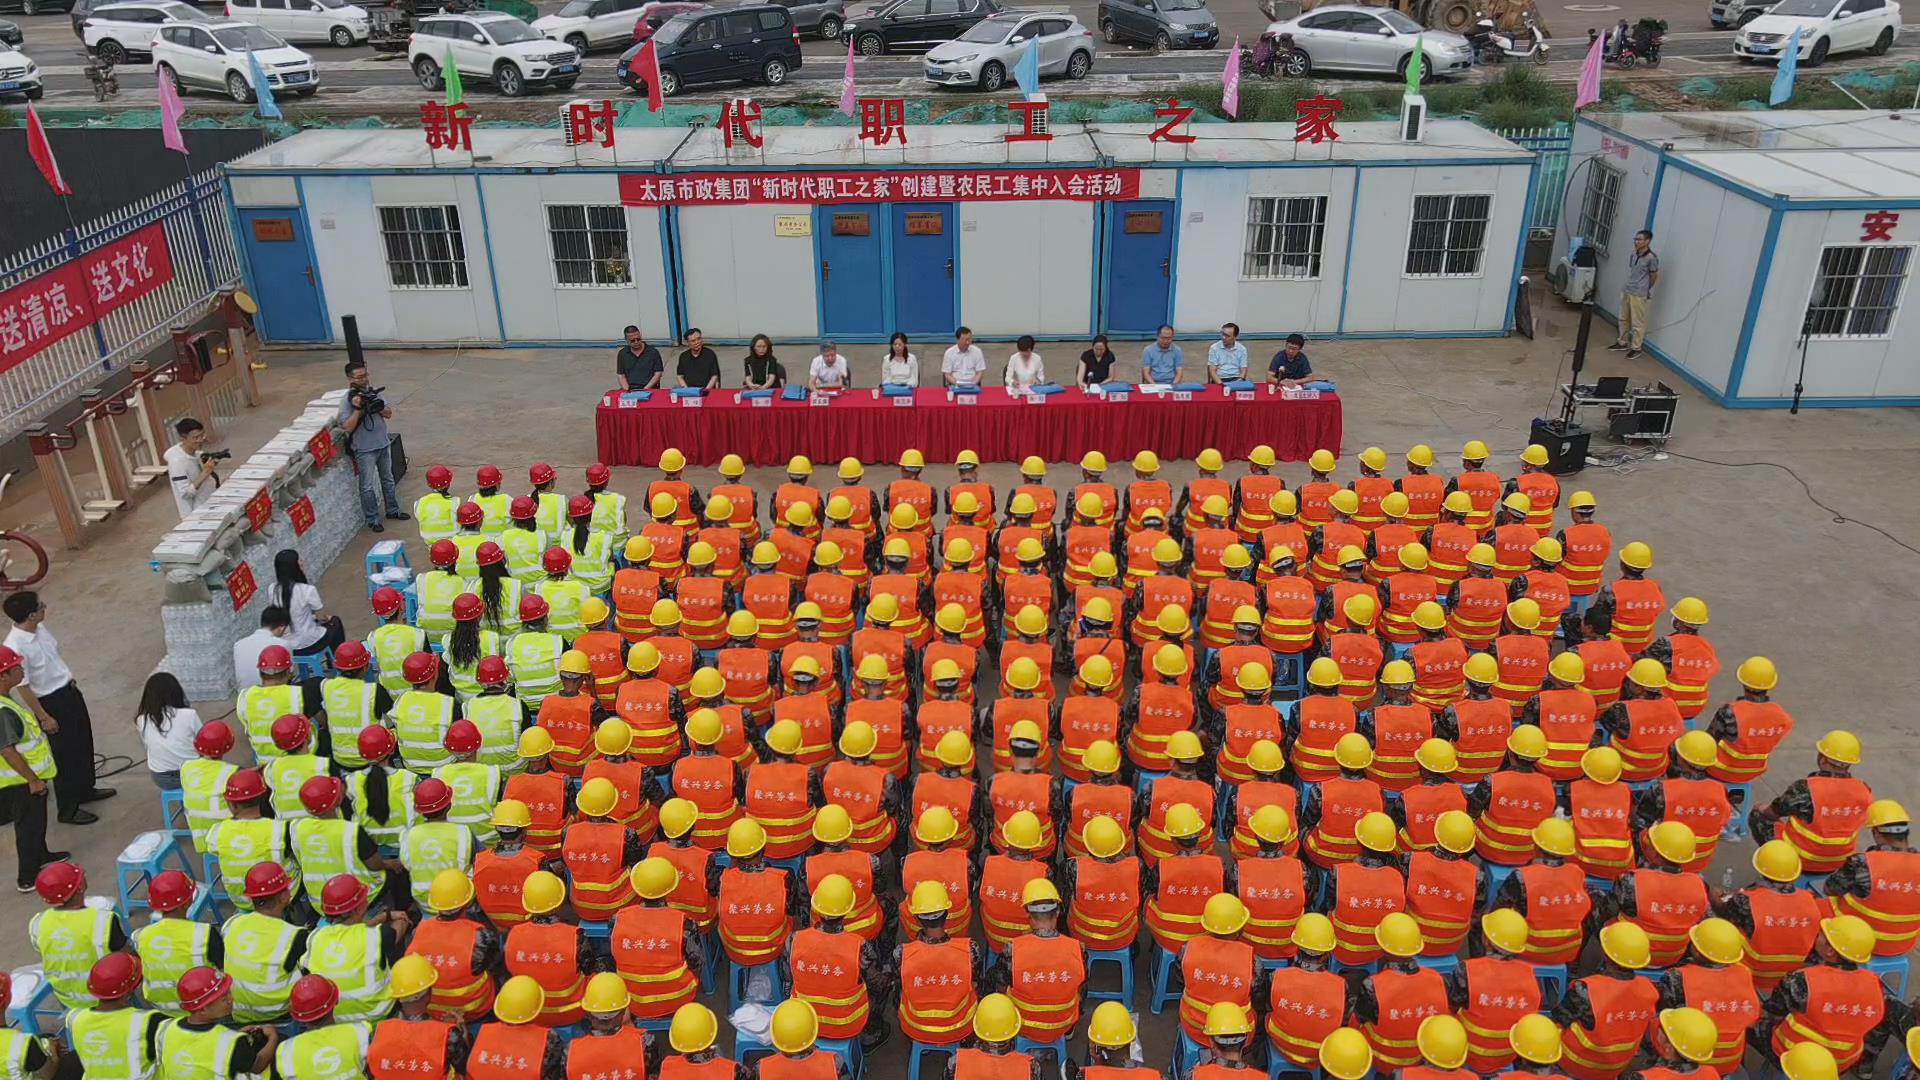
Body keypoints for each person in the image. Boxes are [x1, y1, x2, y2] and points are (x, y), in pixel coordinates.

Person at [3, 593, 107, 827]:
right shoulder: (15, 646)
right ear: (31, 615)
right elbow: (24, 686)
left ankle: (85, 789)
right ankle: (68, 808)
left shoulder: (39, 629)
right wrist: (44, 716)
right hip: (50, 701)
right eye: (41, 606)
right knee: (64, 755)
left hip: (68, 690)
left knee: (82, 742)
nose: (45, 607)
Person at [0, 646, 64, 892]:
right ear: (3, 676)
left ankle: (41, 855)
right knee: (28, 826)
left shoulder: (7, 700)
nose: (21, 670)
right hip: (21, 782)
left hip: (28, 778)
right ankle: (27, 877)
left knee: (36, 822)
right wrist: (32, 780)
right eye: (16, 667)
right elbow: (7, 750)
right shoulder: (3, 711)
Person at [339, 358, 408, 533]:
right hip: (364, 449)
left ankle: (393, 510)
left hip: (382, 443)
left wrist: (377, 406)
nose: (364, 379)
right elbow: (347, 427)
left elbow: (389, 413)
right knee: (367, 486)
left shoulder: (373, 392)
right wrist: (359, 410)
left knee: (388, 479)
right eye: (359, 377)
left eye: (365, 375)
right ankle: (373, 519)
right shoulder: (348, 400)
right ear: (350, 379)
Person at [134, 671, 205, 791]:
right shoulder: (189, 715)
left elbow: (147, 746)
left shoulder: (141, 720)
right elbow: (204, 743)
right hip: (192, 773)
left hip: (161, 778)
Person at [271, 550, 344, 659]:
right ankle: (338, 660)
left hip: (286, 644)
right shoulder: (307, 590)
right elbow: (321, 616)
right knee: (335, 621)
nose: (302, 562)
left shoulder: (272, 589)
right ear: (294, 567)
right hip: (309, 644)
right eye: (299, 560)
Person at [1612, 230, 1658, 358]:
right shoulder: (1633, 254)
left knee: (1637, 322)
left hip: (1639, 293)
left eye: (1639, 239)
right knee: (1623, 318)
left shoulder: (1651, 258)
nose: (1636, 242)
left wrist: (1646, 289)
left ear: (1647, 241)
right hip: (1627, 290)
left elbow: (1654, 275)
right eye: (1635, 239)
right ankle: (1622, 342)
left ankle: (1636, 348)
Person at [165, 417, 222, 520]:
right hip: (196, 515)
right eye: (195, 438)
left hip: (210, 505)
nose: (200, 440)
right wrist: (205, 473)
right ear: (183, 438)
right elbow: (185, 493)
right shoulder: (177, 463)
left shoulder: (197, 453)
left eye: (202, 435)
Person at [232, 607, 291, 692]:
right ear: (281, 627)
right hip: (273, 694)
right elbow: (290, 673)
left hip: (245, 695)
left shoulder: (238, 645)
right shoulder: (282, 645)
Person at [617, 325, 664, 390]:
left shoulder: (653, 352)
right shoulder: (622, 354)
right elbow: (621, 375)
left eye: (638, 339)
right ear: (626, 340)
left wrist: (645, 389)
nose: (636, 342)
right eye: (632, 340)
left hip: (649, 388)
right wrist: (627, 390)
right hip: (630, 388)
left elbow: (658, 373)